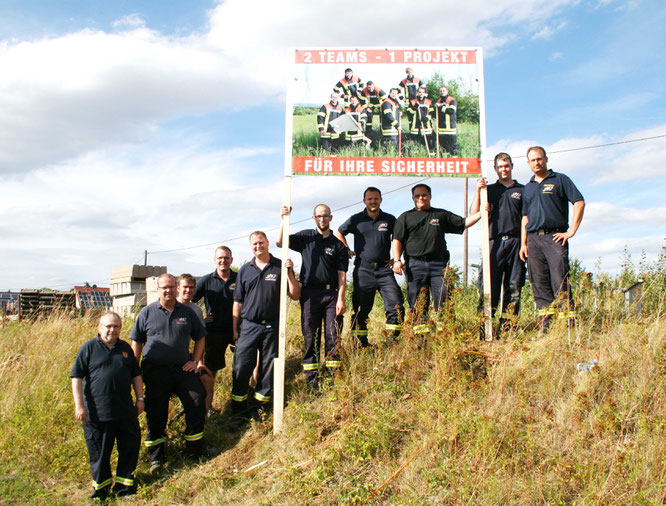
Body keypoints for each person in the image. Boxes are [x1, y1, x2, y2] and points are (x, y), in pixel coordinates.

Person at [130, 273, 210, 472]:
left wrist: (195, 361)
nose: (168, 290)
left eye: (171, 286)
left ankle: (193, 449)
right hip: (154, 371)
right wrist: (133, 369)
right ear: (158, 289)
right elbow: (136, 341)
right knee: (156, 413)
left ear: (176, 288)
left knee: (198, 399)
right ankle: (156, 457)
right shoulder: (147, 313)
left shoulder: (187, 312)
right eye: (164, 287)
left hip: (182, 369)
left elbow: (200, 337)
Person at [230, 231, 300, 428]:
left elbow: (295, 294)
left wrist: (289, 273)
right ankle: (238, 412)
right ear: (251, 246)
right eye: (254, 244)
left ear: (268, 243)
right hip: (249, 327)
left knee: (268, 370)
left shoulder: (280, 266)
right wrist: (235, 330)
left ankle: (258, 409)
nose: (258, 246)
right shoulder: (245, 269)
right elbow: (237, 302)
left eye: (261, 242)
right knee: (241, 368)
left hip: (272, 327)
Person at [392, 184, 483, 336]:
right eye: (418, 196)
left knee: (444, 299)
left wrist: (482, 213)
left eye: (424, 195)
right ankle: (421, 340)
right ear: (413, 198)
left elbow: (464, 222)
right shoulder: (405, 217)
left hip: (438, 265)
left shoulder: (440, 215)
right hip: (415, 265)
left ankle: (445, 336)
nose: (421, 198)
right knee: (418, 303)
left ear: (430, 196)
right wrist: (396, 260)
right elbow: (397, 240)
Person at [71, 311, 143, 499]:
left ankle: (124, 487)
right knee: (100, 455)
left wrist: (140, 399)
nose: (112, 329)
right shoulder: (88, 349)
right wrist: (79, 406)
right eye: (108, 326)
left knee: (129, 449)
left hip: (125, 411)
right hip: (97, 414)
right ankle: (101, 491)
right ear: (99, 327)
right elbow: (76, 377)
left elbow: (136, 375)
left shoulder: (125, 348)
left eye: (116, 326)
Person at [277, 204, 349, 388]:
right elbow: (280, 242)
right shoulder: (306, 237)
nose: (322, 219)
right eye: (318, 216)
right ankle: (312, 379)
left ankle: (333, 377)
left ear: (330, 218)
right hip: (309, 294)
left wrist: (341, 298)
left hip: (331, 295)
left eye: (325, 216)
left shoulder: (337, 245)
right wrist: (284, 219)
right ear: (313, 218)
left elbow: (342, 275)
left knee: (333, 335)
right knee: (311, 335)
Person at [519, 146, 585, 330]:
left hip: (554, 238)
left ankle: (568, 327)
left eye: (539, 159)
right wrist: (523, 243)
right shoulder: (528, 187)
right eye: (533, 160)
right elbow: (525, 217)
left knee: (560, 282)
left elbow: (579, 202)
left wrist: (571, 231)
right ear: (528, 163)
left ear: (546, 159)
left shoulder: (560, 179)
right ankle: (546, 327)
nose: (536, 163)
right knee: (539, 284)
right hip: (533, 240)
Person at [335, 187, 404, 347]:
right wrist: (346, 249)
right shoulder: (356, 219)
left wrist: (396, 258)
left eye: (376, 198)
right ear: (364, 201)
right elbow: (339, 232)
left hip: (384, 270)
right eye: (370, 199)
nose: (373, 201)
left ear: (381, 200)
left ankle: (392, 341)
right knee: (361, 309)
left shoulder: (390, 219)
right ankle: (361, 344)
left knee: (396, 304)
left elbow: (400, 238)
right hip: (363, 269)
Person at [470, 153, 526, 336]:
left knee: (513, 287)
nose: (504, 169)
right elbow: (473, 214)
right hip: (493, 243)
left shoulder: (522, 190)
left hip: (516, 243)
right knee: (488, 287)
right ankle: (483, 329)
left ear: (512, 166)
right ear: (495, 169)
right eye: (500, 166)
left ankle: (508, 330)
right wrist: (478, 191)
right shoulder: (489, 190)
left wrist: (525, 244)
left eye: (507, 166)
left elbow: (526, 219)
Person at [193, 246, 236, 412]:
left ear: (231, 260)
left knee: (242, 366)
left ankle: (240, 402)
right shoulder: (206, 280)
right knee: (211, 371)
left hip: (235, 331)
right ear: (214, 260)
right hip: (213, 332)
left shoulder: (238, 278)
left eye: (226, 258)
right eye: (220, 258)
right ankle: (207, 407)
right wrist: (199, 321)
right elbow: (188, 301)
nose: (223, 261)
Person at [177, 273, 219, 417]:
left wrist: (198, 362)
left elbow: (199, 338)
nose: (188, 290)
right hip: (167, 360)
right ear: (178, 288)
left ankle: (205, 415)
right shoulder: (171, 306)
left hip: (186, 358)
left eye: (191, 287)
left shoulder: (196, 310)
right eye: (185, 287)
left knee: (207, 379)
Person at [434, 86, 458, 156]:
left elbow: (451, 111)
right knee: (444, 149)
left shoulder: (452, 100)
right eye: (441, 91)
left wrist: (440, 107)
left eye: (443, 90)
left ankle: (455, 163)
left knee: (453, 148)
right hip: (441, 129)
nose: (442, 92)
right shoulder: (438, 101)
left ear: (447, 91)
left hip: (450, 129)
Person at [409, 87, 434, 151]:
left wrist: (427, 118)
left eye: (423, 92)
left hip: (427, 126)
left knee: (429, 144)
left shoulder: (428, 102)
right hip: (415, 126)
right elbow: (409, 113)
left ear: (425, 93)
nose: (421, 94)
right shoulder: (413, 102)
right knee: (415, 145)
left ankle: (430, 157)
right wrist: (415, 107)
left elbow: (432, 113)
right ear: (417, 93)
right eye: (420, 92)